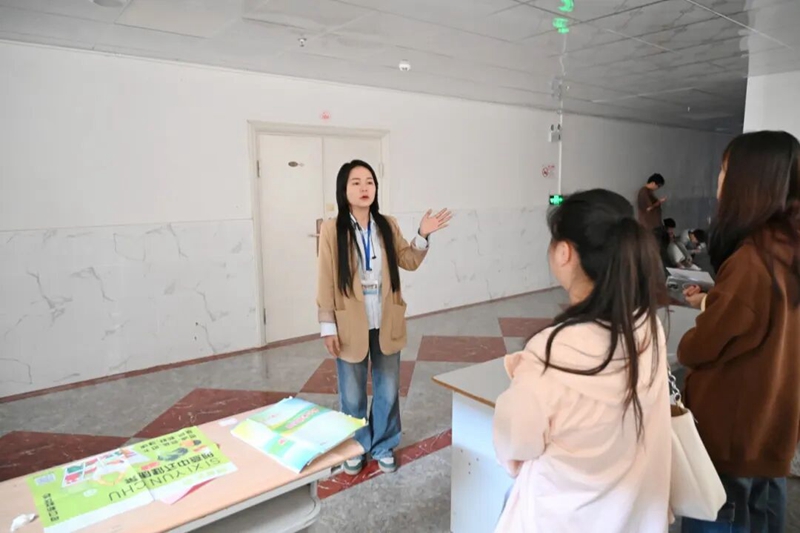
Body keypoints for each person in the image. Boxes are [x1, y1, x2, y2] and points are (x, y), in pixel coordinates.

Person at [493, 189, 671, 532]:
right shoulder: (648, 328)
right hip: (637, 517)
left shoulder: (550, 356)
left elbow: (514, 443)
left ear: (564, 252)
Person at [679, 131, 800, 532]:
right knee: (765, 512)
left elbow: (700, 348)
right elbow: (767, 320)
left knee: (723, 515)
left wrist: (698, 328)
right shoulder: (788, 248)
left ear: (750, 182)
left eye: (725, 170)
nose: (719, 179)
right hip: (773, 425)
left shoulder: (753, 259)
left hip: (733, 434)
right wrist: (714, 300)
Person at [317, 159, 452, 476]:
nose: (364, 188)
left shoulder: (387, 225)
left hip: (385, 319)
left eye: (369, 182)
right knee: (352, 393)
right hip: (350, 323)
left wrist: (422, 234)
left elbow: (408, 260)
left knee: (388, 389)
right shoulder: (332, 230)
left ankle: (383, 445)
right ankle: (355, 445)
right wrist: (327, 325)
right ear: (344, 190)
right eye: (356, 183)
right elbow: (325, 278)